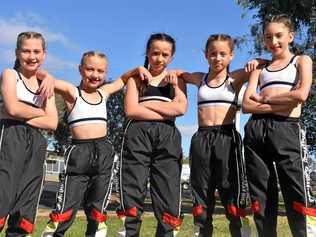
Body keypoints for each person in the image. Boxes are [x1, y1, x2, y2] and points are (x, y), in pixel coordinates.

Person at [40, 51, 151, 237]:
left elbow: (123, 79)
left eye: (101, 71)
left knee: (97, 210)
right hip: (79, 152)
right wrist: (47, 75)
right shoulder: (71, 92)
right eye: (90, 69)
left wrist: (138, 68)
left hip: (104, 152)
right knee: (64, 209)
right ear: (80, 69)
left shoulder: (104, 92)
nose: (95, 75)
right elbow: (45, 78)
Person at [174, 34, 255, 237]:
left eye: (222, 54)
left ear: (231, 56)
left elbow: (259, 67)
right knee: (201, 189)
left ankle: (241, 232)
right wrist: (171, 74)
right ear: (206, 55)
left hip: (227, 138)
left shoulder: (235, 78)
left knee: (232, 190)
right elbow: (180, 74)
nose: (217, 58)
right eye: (212, 54)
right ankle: (201, 231)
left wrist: (257, 62)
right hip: (202, 138)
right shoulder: (199, 78)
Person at [242, 14, 313, 237]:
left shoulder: (301, 61)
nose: (273, 42)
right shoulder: (259, 67)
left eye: (278, 36)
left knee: (296, 190)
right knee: (261, 192)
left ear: (290, 36)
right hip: (256, 130)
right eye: (268, 37)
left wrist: (263, 100)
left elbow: (300, 94)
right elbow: (246, 104)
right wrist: (281, 102)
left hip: (287, 129)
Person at [117, 33, 187, 237]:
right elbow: (131, 111)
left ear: (171, 57)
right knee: (132, 188)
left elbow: (181, 109)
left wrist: (147, 105)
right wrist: (165, 110)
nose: (159, 58)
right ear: (147, 53)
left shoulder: (177, 80)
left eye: (165, 54)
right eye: (155, 53)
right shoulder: (136, 79)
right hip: (137, 134)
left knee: (167, 191)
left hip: (168, 137)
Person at [0, 31, 58, 237]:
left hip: (36, 143)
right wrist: (40, 113)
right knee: (2, 193)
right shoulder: (10, 74)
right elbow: (12, 109)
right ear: (17, 52)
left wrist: (19, 112)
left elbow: (52, 122)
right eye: (26, 51)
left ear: (44, 54)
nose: (32, 56)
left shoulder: (46, 85)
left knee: (26, 204)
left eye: (36, 51)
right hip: (10, 137)